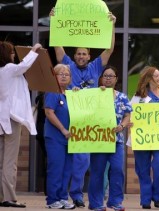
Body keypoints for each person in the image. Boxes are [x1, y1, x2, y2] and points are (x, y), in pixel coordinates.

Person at [50, 8, 116, 207]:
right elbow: (58, 48)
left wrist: (112, 25)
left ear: (89, 56)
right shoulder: (67, 65)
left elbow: (109, 50)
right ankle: (74, 195)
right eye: (78, 53)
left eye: (84, 54)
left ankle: (78, 194)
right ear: (74, 55)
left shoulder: (96, 67)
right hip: (69, 117)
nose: (80, 56)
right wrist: (54, 21)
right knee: (73, 161)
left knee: (85, 161)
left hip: (90, 119)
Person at [0, 41, 42, 208]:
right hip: (10, 118)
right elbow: (24, 66)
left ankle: (2, 196)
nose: (13, 55)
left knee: (1, 161)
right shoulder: (9, 69)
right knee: (10, 161)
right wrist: (34, 50)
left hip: (1, 118)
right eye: (11, 53)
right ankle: (9, 197)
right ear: (6, 55)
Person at [129, 66, 159, 209]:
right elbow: (130, 114)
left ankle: (157, 195)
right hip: (142, 139)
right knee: (143, 170)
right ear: (148, 79)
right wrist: (130, 120)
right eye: (156, 76)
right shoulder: (138, 98)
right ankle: (145, 200)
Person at [88, 65, 132, 211]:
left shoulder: (122, 96)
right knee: (97, 171)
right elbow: (81, 105)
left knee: (118, 170)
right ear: (101, 78)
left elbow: (127, 115)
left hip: (116, 140)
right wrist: (76, 91)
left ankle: (115, 202)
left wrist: (122, 126)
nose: (107, 78)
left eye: (110, 76)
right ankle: (95, 203)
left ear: (116, 79)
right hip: (99, 139)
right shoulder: (94, 94)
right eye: (105, 76)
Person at [44, 64, 75, 209]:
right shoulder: (52, 91)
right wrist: (63, 129)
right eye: (60, 73)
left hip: (70, 139)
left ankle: (62, 197)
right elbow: (49, 112)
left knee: (67, 169)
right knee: (56, 168)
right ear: (54, 76)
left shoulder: (70, 94)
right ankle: (52, 200)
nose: (63, 76)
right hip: (56, 137)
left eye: (66, 74)